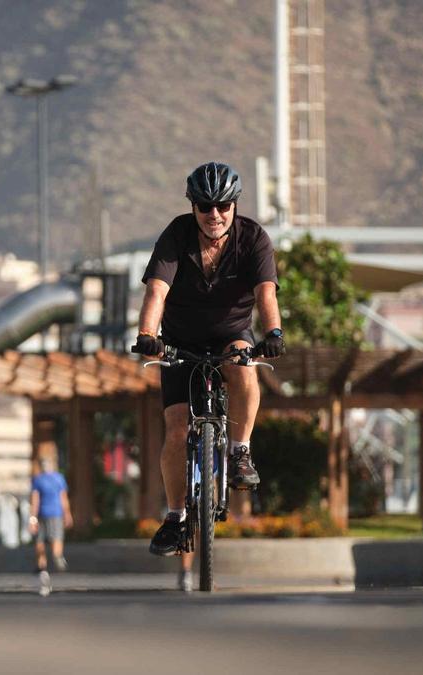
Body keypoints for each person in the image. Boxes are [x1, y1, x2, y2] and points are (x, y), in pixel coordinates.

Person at [130, 161, 285, 558]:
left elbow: (267, 294)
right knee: (177, 429)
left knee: (242, 367)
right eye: (204, 206)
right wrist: (147, 336)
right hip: (179, 342)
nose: (213, 214)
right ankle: (176, 516)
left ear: (234, 205)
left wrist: (273, 334)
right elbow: (156, 292)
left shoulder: (254, 239)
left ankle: (239, 451)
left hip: (230, 335)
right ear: (193, 206)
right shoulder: (176, 235)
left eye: (222, 205)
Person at [29, 455, 73, 587]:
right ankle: (57, 556)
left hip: (42, 514)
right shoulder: (59, 478)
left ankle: (42, 567)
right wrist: (67, 514)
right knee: (56, 537)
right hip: (56, 514)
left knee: (40, 541)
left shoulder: (37, 480)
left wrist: (32, 518)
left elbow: (35, 500)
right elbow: (63, 498)